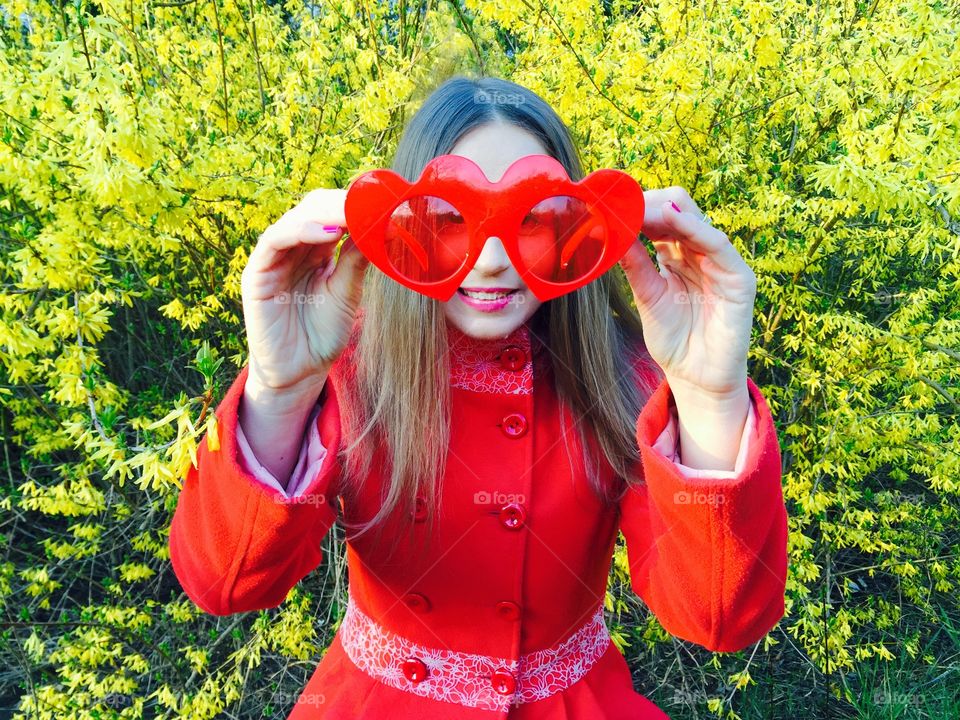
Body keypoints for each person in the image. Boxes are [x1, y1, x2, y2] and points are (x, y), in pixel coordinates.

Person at [168, 75, 788, 719]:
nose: (492, 259)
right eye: (450, 219)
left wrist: (709, 394)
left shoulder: (622, 372)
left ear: (577, 224)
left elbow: (722, 618)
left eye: (533, 219)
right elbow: (226, 583)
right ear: (402, 223)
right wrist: (281, 386)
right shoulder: (353, 365)